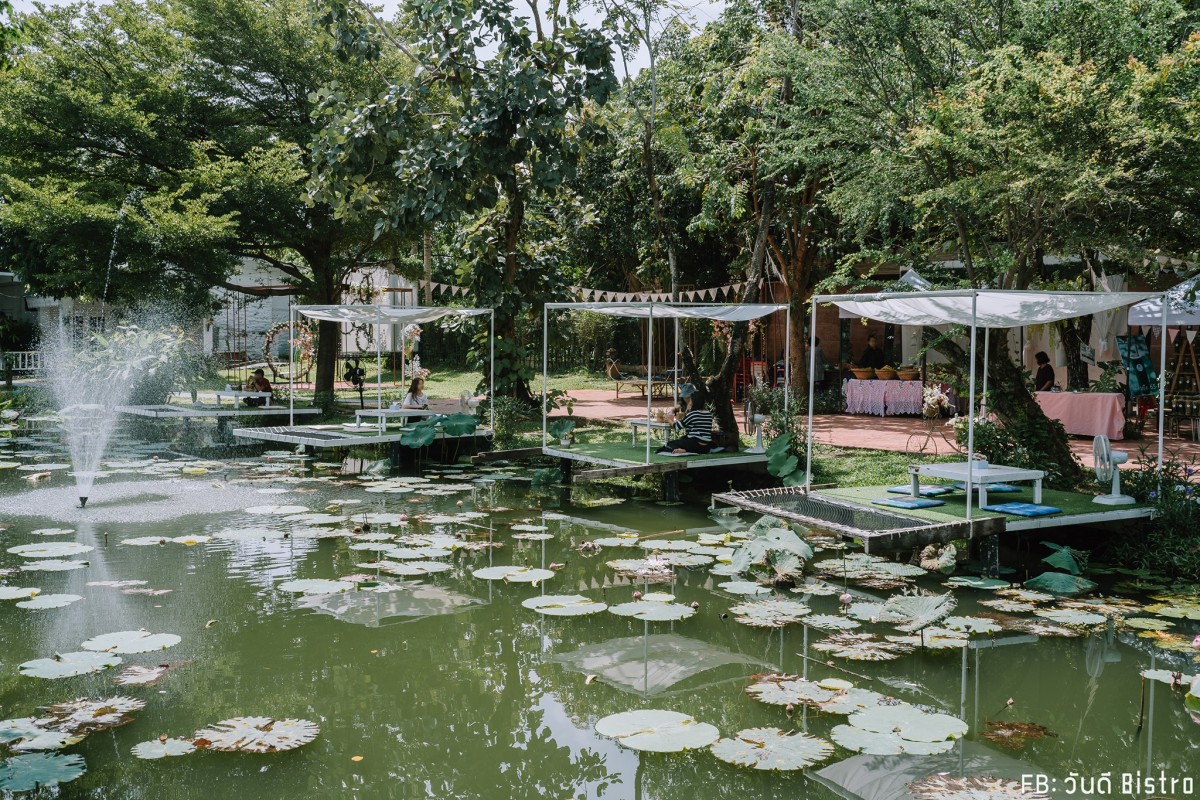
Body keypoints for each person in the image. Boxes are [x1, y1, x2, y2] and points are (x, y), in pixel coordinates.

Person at [657, 384, 715, 455]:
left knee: (670, 444)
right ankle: (686, 449)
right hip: (706, 446)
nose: (688, 401)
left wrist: (668, 420)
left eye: (690, 400)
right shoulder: (708, 414)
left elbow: (677, 426)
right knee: (683, 439)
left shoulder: (692, 414)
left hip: (695, 443)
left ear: (694, 402)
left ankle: (684, 450)